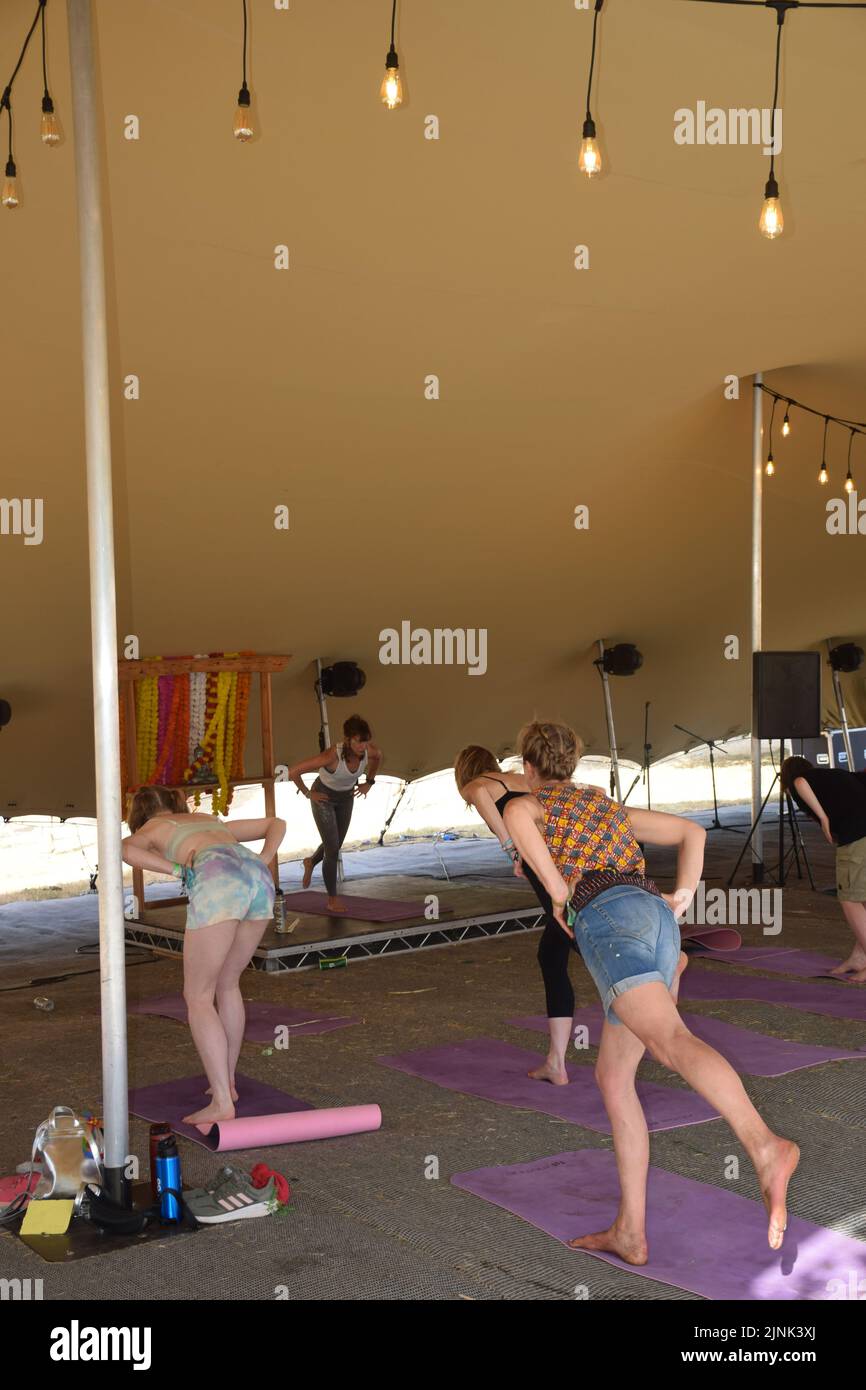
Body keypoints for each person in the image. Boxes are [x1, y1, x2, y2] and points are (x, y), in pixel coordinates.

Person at [503, 719, 799, 1258]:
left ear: (529, 769)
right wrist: (682, 897)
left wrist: (556, 892)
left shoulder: (535, 805)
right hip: (656, 919)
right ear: (573, 763)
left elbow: (515, 812)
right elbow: (695, 833)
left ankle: (764, 1147)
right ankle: (630, 1232)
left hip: (609, 918)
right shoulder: (606, 808)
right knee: (615, 1078)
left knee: (670, 1041)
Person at [122, 786, 285, 1126]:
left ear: (141, 815)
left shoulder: (152, 828)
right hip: (257, 877)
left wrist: (177, 870)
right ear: (176, 804)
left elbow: (125, 849)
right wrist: (266, 857)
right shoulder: (209, 819)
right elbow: (276, 822)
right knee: (228, 984)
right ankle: (228, 1084)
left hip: (218, 880)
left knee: (197, 996)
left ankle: (223, 1101)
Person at [455, 745, 577, 1085]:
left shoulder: (477, 783)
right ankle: (556, 1063)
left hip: (544, 863)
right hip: (565, 855)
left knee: (578, 934)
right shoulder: (519, 778)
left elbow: (478, 793)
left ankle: (659, 969)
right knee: (551, 954)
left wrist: (511, 848)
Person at [781, 755, 866, 980]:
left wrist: (823, 819)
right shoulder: (836, 776)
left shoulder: (801, 781)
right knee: (863, 898)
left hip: (858, 837)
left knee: (850, 898)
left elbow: (799, 783)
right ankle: (859, 957)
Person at [287, 715, 382, 912]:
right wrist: (308, 793)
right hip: (324, 798)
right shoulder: (332, 756)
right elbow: (294, 771)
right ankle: (332, 899)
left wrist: (369, 783)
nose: (363, 746)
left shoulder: (368, 751)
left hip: (346, 798)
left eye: (366, 741)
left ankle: (311, 861)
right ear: (348, 739)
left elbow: (377, 757)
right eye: (358, 741)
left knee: (335, 844)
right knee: (332, 849)